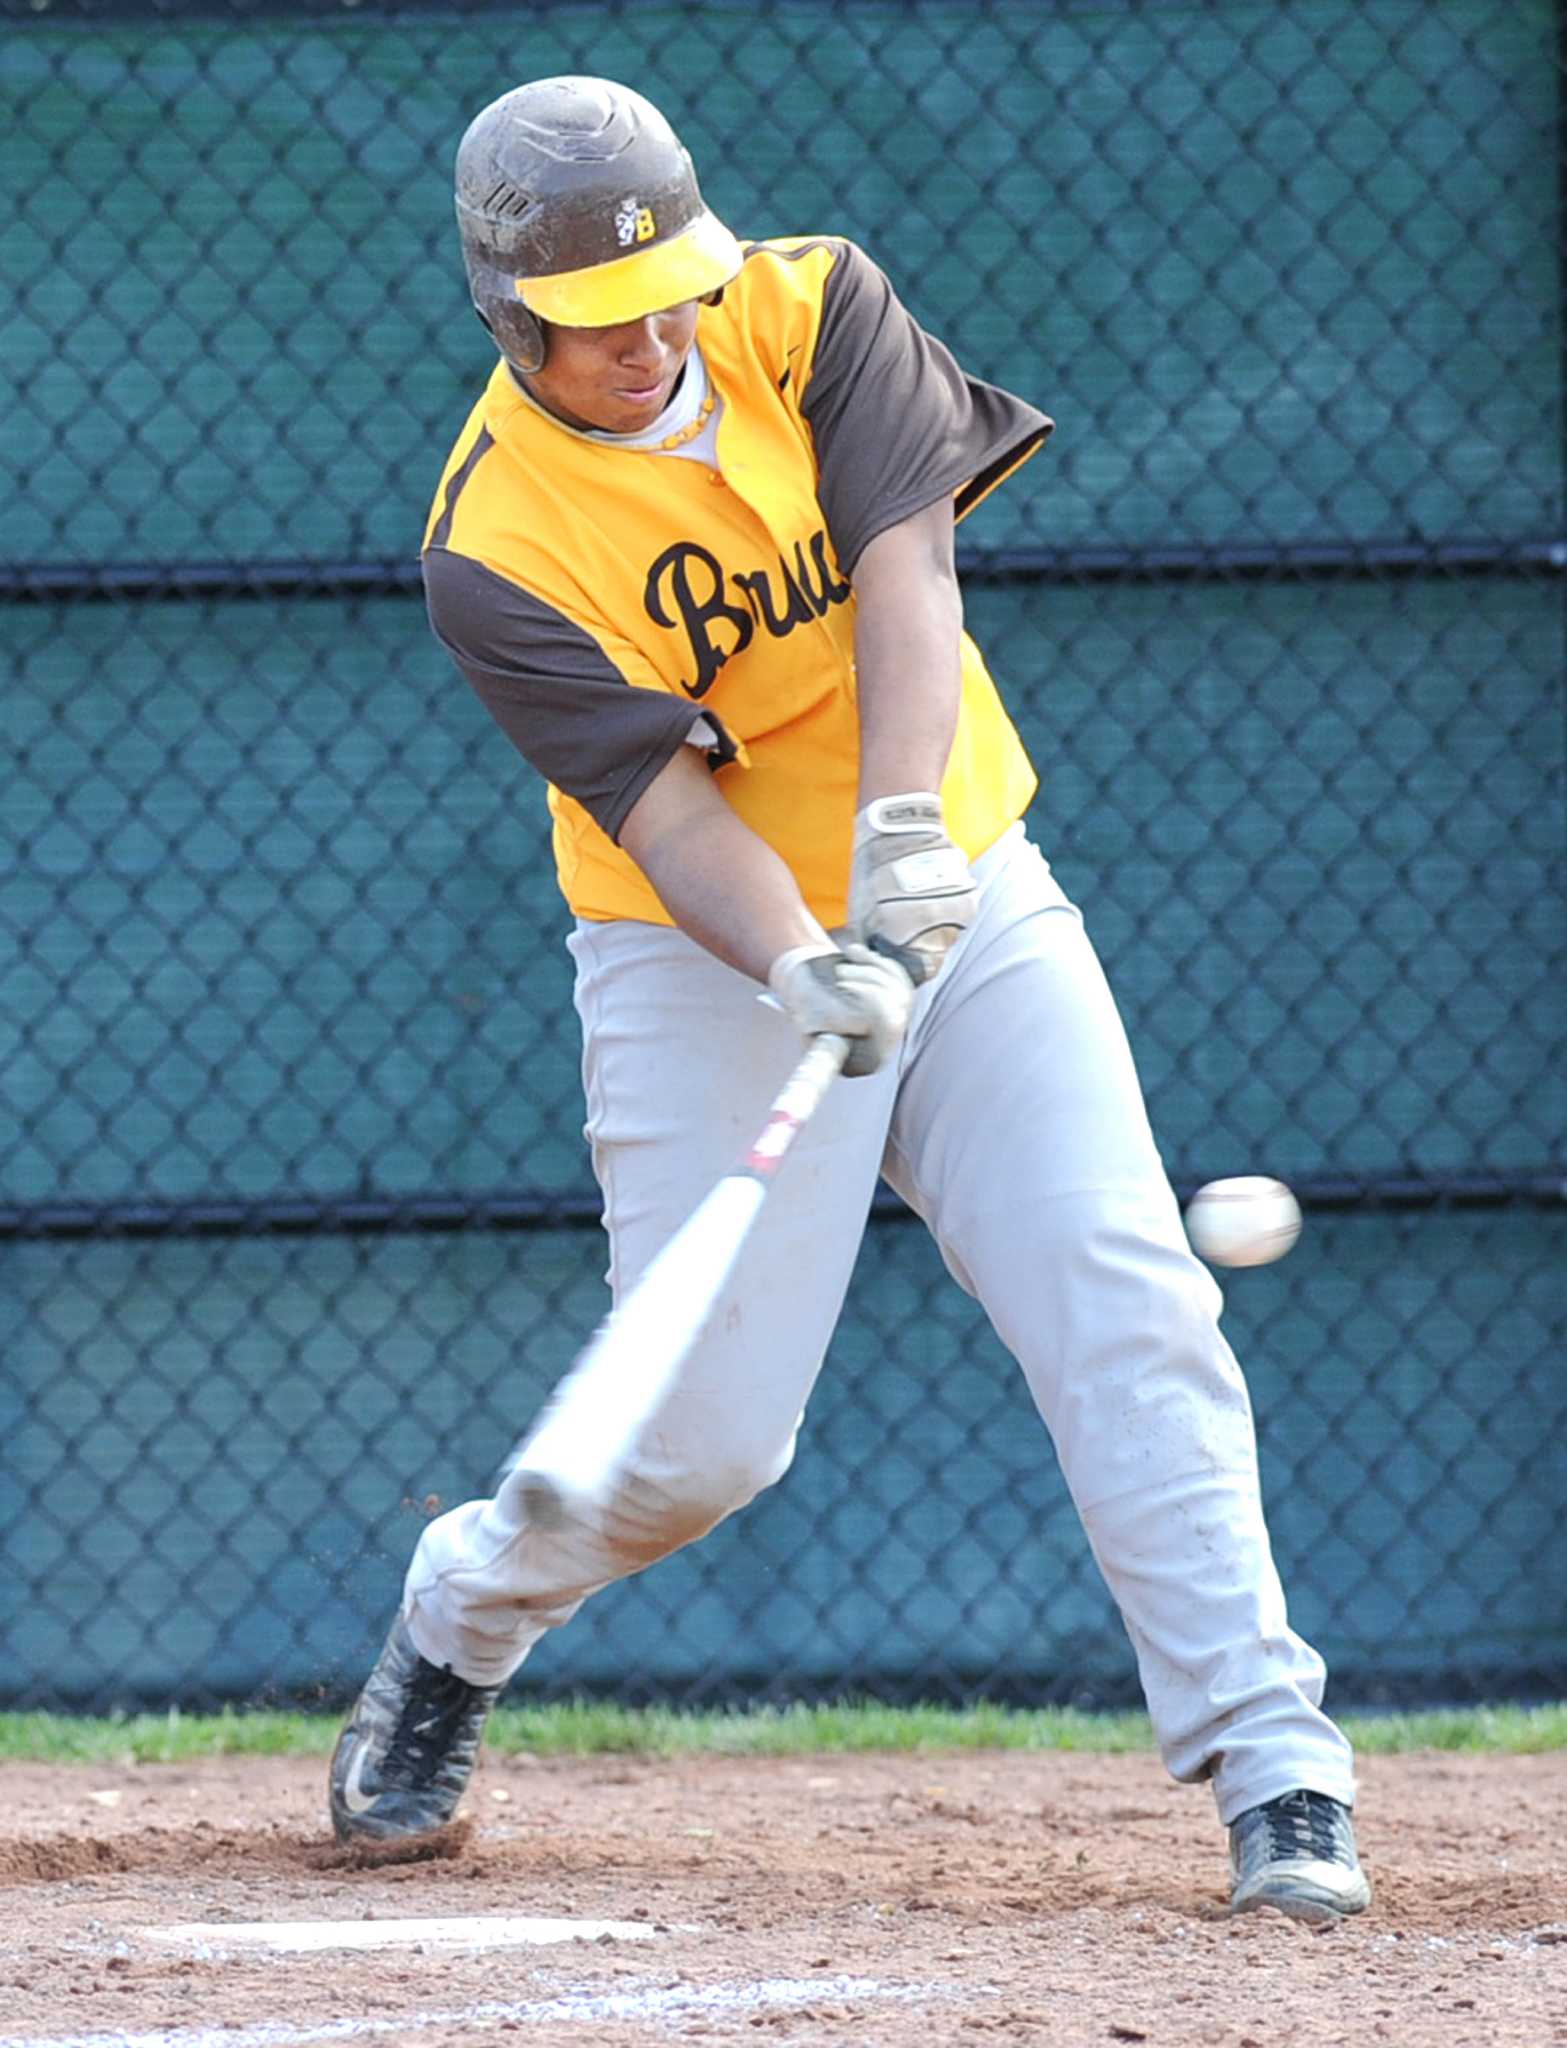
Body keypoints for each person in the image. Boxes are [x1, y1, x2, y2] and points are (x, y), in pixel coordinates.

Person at [327, 73, 1370, 1922]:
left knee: (1123, 1294)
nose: (647, 339)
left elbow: (911, 564)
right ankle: (458, 1616)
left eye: (662, 292)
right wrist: (803, 958)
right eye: (592, 323)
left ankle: (1276, 1766)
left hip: (956, 871)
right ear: (503, 316)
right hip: (702, 951)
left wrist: (903, 850)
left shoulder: (812, 301)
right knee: (705, 1451)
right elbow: (658, 810)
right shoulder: (491, 548)